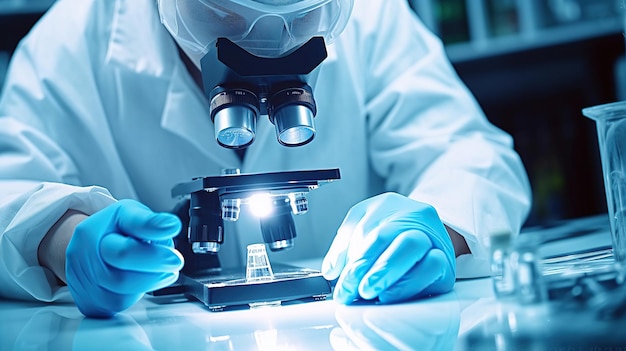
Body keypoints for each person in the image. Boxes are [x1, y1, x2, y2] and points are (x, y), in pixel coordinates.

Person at [0, 0, 531, 318]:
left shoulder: (371, 16)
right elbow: (9, 189)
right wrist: (61, 239)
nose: (271, 40)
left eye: (302, 17)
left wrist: (441, 228)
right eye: (226, 13)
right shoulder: (70, 43)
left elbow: (468, 153)